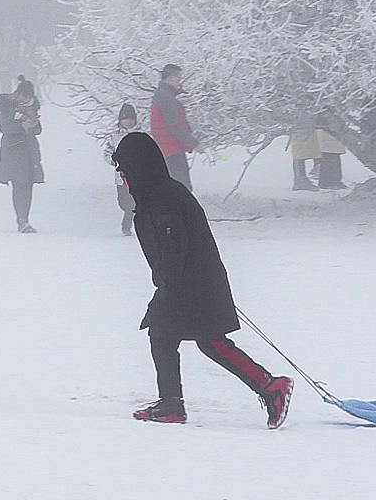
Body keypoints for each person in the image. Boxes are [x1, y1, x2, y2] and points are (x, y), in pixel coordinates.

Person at [114, 132, 289, 427]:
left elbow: (174, 246)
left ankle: (271, 387)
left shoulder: (164, 199)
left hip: (191, 284)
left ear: (138, 167)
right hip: (189, 282)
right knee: (168, 334)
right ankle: (173, 404)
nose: (122, 177)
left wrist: (168, 286)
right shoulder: (156, 195)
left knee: (206, 341)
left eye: (124, 171)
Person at [0, 76, 44, 233]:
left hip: (30, 151)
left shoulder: (32, 109)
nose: (25, 99)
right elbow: (4, 128)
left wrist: (33, 124)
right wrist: (21, 127)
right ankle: (22, 220)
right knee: (19, 185)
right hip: (13, 151)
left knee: (29, 185)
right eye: (23, 95)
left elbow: (38, 130)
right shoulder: (6, 106)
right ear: (17, 93)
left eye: (28, 96)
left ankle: (25, 219)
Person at [149, 63, 198, 186]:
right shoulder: (165, 98)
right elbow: (174, 126)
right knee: (182, 189)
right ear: (171, 77)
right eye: (178, 78)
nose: (179, 81)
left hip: (168, 148)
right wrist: (194, 143)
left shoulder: (163, 96)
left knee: (177, 188)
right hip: (171, 149)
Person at [113, 101, 143, 236]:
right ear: (120, 120)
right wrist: (115, 161)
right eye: (125, 119)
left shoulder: (140, 135)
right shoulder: (115, 137)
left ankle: (128, 226)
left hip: (137, 176)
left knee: (135, 202)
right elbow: (108, 153)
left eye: (131, 119)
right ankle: (128, 219)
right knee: (124, 202)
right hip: (121, 176)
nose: (128, 122)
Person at [290, 119, 346, 191]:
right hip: (304, 123)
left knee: (306, 147)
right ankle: (301, 179)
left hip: (310, 123)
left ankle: (305, 177)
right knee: (300, 148)